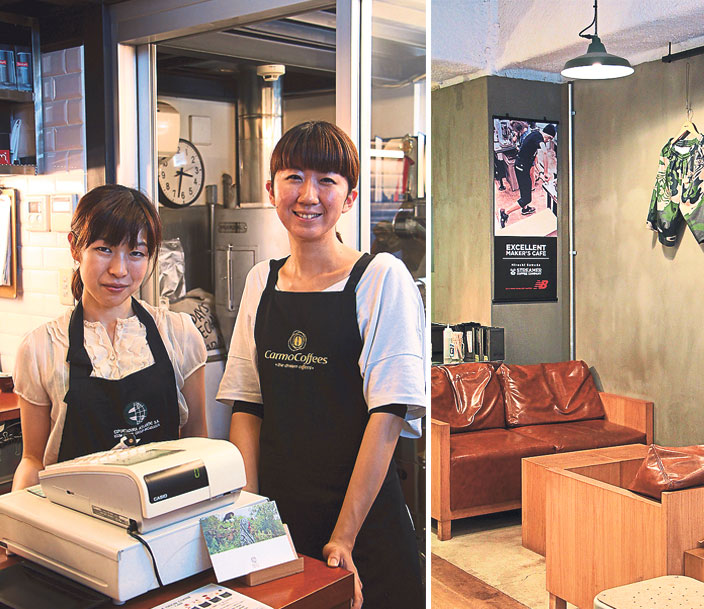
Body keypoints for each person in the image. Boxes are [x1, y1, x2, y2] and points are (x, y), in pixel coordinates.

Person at [217, 121, 425, 609]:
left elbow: (387, 415)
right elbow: (247, 407)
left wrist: (344, 538)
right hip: (280, 522)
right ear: (271, 190)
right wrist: (250, 527)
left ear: (349, 198)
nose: (308, 195)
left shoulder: (380, 278)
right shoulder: (260, 281)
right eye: (294, 177)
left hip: (363, 529)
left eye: (326, 180)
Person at [11, 185, 207, 490]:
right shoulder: (41, 348)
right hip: (72, 512)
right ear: (75, 247)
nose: (119, 269)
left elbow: (197, 442)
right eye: (104, 249)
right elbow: (33, 460)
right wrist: (15, 517)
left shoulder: (179, 334)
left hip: (161, 511)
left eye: (136, 253)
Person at [499, 123, 557, 228]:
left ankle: (525, 209)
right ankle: (505, 213)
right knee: (526, 198)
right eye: (549, 139)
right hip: (521, 168)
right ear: (547, 135)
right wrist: (546, 172)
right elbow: (544, 152)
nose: (547, 141)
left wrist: (540, 173)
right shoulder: (538, 138)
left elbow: (535, 160)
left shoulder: (535, 138)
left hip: (523, 166)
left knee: (526, 189)